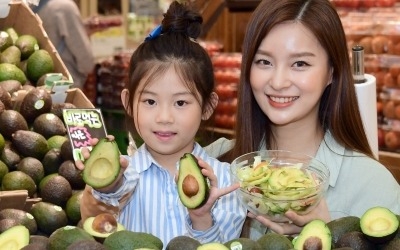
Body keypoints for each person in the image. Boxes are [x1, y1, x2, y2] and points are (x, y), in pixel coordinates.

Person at [207, 0, 400, 239]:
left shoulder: (373, 186)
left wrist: (328, 236)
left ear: (331, 72)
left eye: (300, 63)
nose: (278, 82)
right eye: (264, 62)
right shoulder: (215, 163)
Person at [75, 1, 246, 247]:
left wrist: (201, 217)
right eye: (150, 101)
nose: (164, 117)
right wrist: (106, 179)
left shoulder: (225, 182)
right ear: (128, 102)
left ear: (207, 107)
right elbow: (111, 197)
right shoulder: (127, 173)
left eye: (180, 103)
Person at [31, 0, 95, 89]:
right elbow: (87, 62)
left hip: (38, 86)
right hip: (65, 87)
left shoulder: (28, 7)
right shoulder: (64, 7)